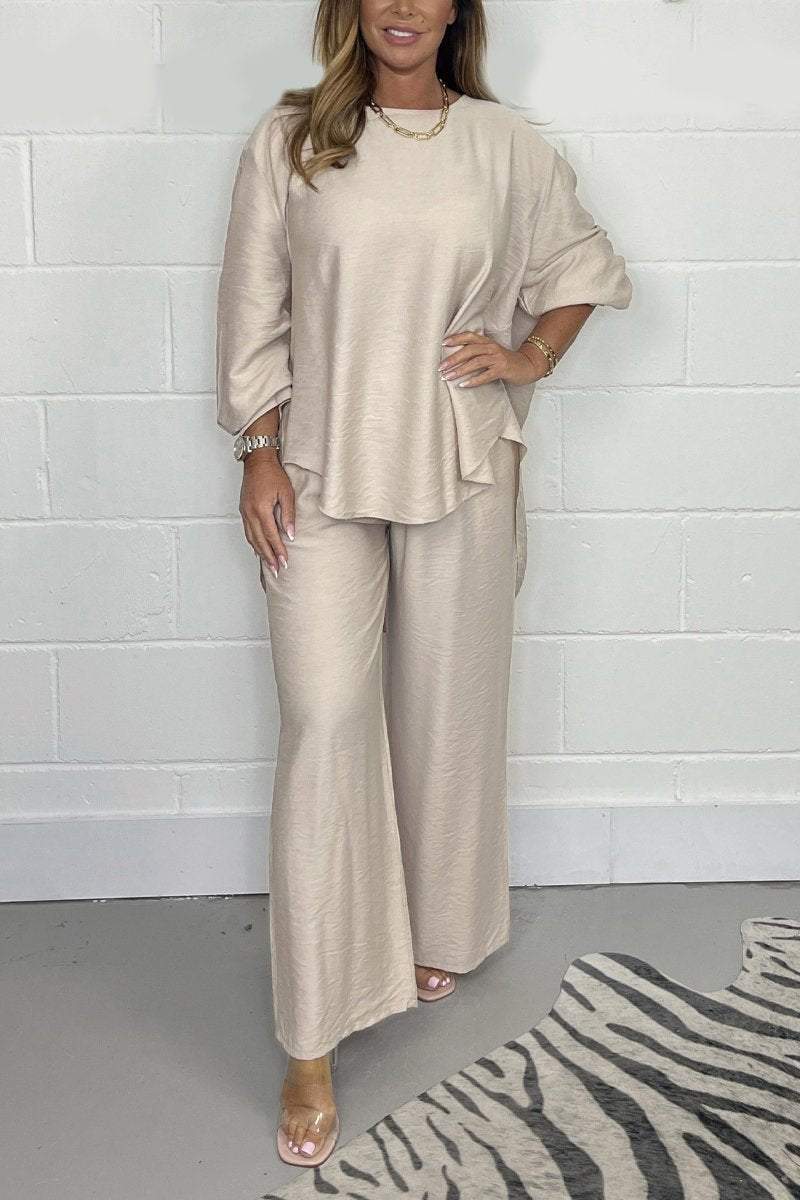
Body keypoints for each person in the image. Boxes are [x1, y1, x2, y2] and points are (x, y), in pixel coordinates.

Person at [215, 0, 633, 1169]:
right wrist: (255, 450)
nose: (402, 7)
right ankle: (310, 1039)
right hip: (316, 463)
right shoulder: (290, 138)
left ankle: (435, 922)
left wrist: (529, 353)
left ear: (456, 9)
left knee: (447, 704)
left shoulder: (503, 145)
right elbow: (251, 308)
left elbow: (584, 266)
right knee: (324, 720)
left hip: (460, 452)